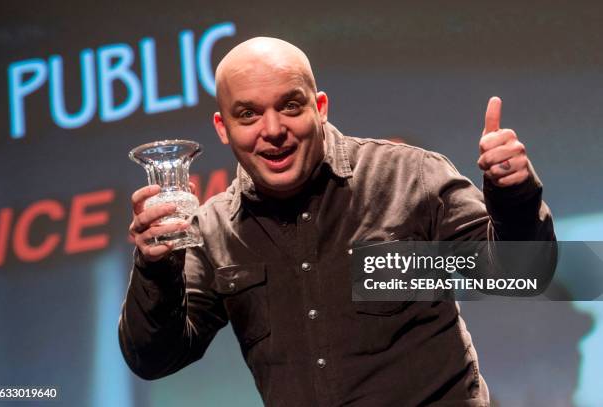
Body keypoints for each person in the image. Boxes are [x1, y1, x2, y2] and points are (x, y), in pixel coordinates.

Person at [119, 37, 555, 406]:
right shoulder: (213, 230)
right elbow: (154, 359)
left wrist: (514, 193)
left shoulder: (409, 176)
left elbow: (521, 273)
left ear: (320, 106)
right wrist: (155, 268)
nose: (272, 130)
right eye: (248, 114)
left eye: (290, 106)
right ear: (222, 127)